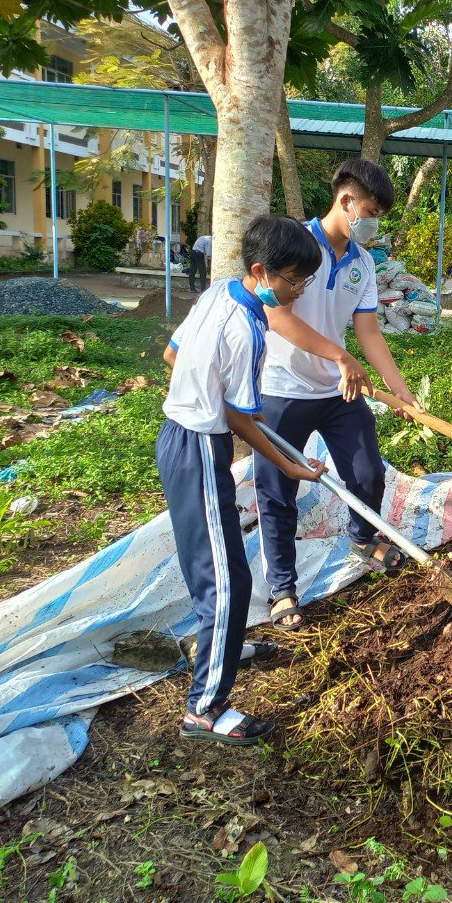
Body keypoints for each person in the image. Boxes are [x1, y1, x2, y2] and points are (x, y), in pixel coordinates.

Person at [159, 215, 326, 746]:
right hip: (201, 447)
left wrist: (196, 390)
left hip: (176, 435)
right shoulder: (250, 329)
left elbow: (173, 353)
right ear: (261, 271)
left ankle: (223, 647)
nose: (298, 292)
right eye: (294, 281)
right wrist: (287, 465)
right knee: (229, 584)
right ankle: (205, 710)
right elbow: (239, 417)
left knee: (219, 565)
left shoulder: (215, 294)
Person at [256, 158, 423, 631]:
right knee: (277, 490)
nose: (371, 222)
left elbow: (367, 329)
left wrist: (401, 391)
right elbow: (276, 317)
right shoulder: (293, 245)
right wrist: (340, 358)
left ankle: (362, 537)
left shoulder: (364, 263)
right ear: (346, 201)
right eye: (368, 210)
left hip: (336, 390)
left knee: (368, 471)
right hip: (282, 388)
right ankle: (283, 589)